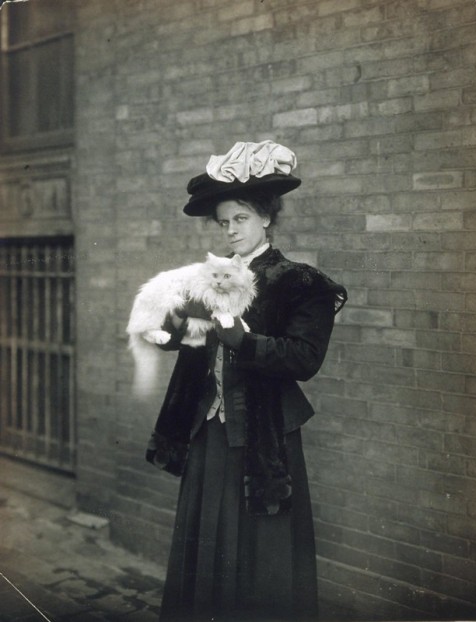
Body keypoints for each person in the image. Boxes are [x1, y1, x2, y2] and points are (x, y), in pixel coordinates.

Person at [146, 141, 347, 622]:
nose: (230, 229)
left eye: (240, 218)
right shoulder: (210, 277)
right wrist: (168, 328)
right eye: (223, 221)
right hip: (208, 431)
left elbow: (304, 358)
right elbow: (187, 339)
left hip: (262, 436)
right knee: (206, 540)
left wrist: (243, 339)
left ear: (265, 219)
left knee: (261, 549)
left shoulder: (298, 281)